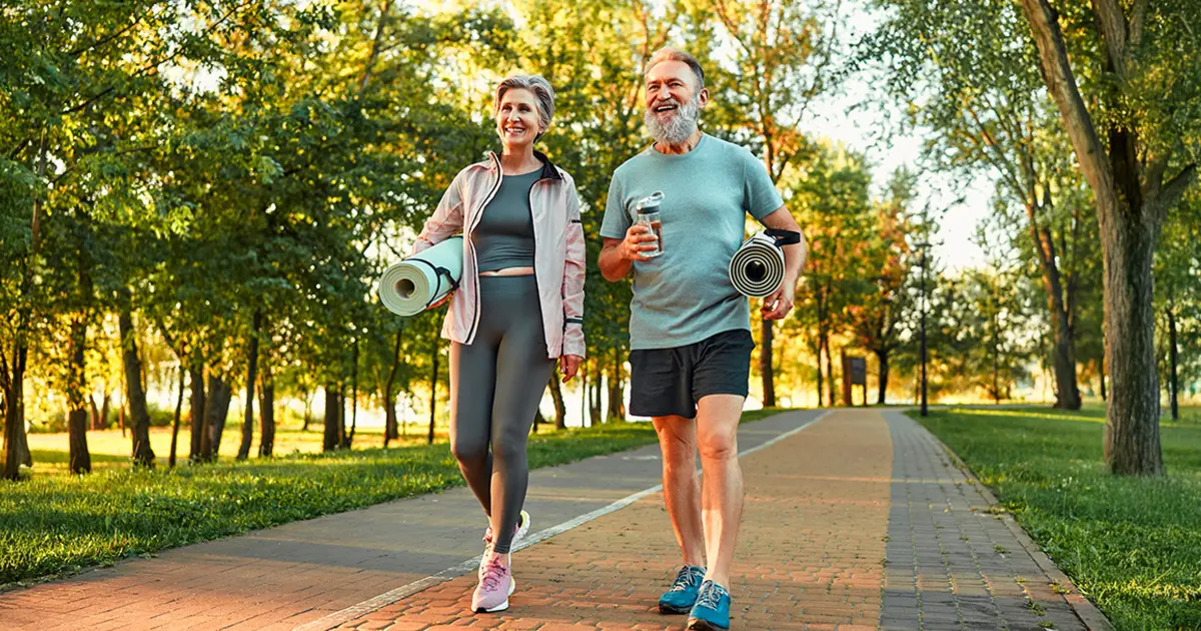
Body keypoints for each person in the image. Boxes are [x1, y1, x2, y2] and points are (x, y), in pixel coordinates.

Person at [598, 47, 807, 631]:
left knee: (716, 443)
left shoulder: (737, 162)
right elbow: (607, 265)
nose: (662, 93)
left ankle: (719, 580)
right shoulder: (627, 175)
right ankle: (691, 565)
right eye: (652, 86)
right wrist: (624, 250)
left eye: (674, 84)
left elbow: (789, 234)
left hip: (722, 326)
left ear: (700, 97)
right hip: (655, 331)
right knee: (676, 455)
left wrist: (787, 283)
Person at [411, 73, 586, 614]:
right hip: (473, 315)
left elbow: (574, 262)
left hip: (532, 317)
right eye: (508, 107)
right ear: (497, 116)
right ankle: (508, 518)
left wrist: (573, 333)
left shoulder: (559, 184)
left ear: (542, 122)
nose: (515, 117)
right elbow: (434, 233)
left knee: (508, 439)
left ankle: (499, 560)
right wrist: (420, 275)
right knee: (466, 445)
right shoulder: (471, 179)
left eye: (525, 109)